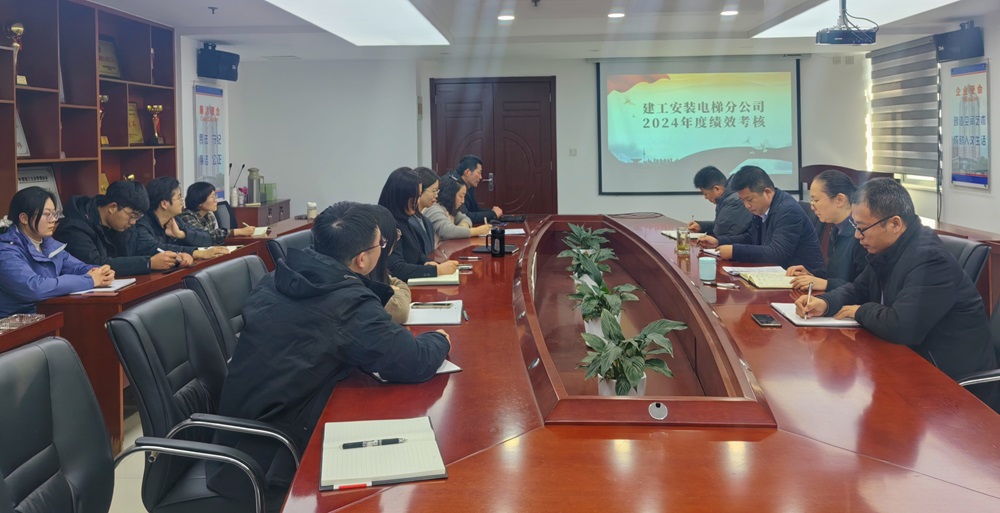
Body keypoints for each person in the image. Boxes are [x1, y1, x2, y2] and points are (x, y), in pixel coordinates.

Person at [207, 202, 450, 511]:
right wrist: (439, 340)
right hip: (272, 456)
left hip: (245, 431)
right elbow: (412, 362)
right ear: (362, 260)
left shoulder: (278, 276)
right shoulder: (346, 302)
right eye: (382, 245)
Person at [796, 178, 996, 402]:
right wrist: (825, 303)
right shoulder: (890, 248)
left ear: (894, 224)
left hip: (952, 387)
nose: (857, 235)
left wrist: (860, 311)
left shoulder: (931, 260)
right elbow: (858, 288)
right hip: (912, 366)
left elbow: (902, 326)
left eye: (862, 228)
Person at [0, 187, 114, 317]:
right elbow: (35, 288)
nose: (53, 219)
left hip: (47, 314)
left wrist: (100, 272)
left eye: (55, 213)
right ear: (24, 218)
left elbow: (77, 267)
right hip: (16, 323)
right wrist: (90, 280)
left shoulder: (48, 243)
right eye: (47, 214)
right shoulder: (6, 250)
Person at [699, 165, 824, 271]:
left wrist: (735, 251)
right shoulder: (761, 208)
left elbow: (777, 253)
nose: (747, 206)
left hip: (803, 279)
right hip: (778, 273)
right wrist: (719, 241)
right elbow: (750, 237)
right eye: (743, 200)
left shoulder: (787, 210)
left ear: (767, 192)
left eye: (749, 199)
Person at [54, 180, 182, 275]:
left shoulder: (122, 224)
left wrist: (179, 255)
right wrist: (149, 263)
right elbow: (95, 264)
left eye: (137, 217)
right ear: (112, 207)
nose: (133, 222)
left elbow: (141, 247)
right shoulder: (74, 228)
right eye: (132, 215)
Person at [786, 170, 868, 291]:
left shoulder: (861, 234)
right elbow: (835, 274)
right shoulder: (836, 228)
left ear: (839, 200)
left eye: (816, 200)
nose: (812, 207)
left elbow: (864, 288)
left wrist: (826, 284)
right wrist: (812, 275)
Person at [378, 167, 458, 281]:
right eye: (414, 197)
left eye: (419, 196)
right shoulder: (388, 224)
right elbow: (396, 268)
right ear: (401, 196)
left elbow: (418, 254)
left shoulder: (405, 220)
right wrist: (436, 271)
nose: (417, 201)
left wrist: (431, 263)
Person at [135, 177, 228, 264]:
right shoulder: (141, 224)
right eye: (179, 197)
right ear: (164, 204)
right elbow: (154, 247)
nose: (182, 201)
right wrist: (197, 253)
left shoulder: (175, 220)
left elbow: (207, 237)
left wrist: (182, 234)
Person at [177, 181, 256, 245]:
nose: (216, 201)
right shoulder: (187, 216)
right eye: (212, 197)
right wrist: (238, 232)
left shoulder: (209, 215)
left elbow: (212, 239)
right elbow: (204, 235)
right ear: (200, 201)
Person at [373, 205, 413, 324]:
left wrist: (393, 289)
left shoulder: (376, 267)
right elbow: (400, 311)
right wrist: (393, 290)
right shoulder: (364, 273)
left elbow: (399, 283)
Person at [687, 165, 752, 238]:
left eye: (705, 194)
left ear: (716, 189)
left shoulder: (734, 201)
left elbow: (719, 232)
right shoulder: (724, 199)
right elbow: (718, 225)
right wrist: (701, 226)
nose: (705, 198)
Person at [424, 174, 491, 244]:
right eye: (461, 196)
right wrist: (478, 231)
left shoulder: (450, 208)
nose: (463, 201)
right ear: (450, 195)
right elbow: (447, 232)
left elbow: (466, 219)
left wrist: (462, 228)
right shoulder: (434, 209)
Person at [451, 155, 502, 223]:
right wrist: (493, 214)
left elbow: (475, 210)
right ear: (468, 172)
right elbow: (466, 216)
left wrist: (492, 212)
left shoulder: (469, 184)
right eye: (479, 173)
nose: (481, 177)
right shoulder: (453, 185)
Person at [409, 167, 439, 255]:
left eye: (437, 191)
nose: (436, 195)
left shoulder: (426, 222)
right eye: (433, 191)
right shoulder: (409, 222)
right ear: (420, 190)